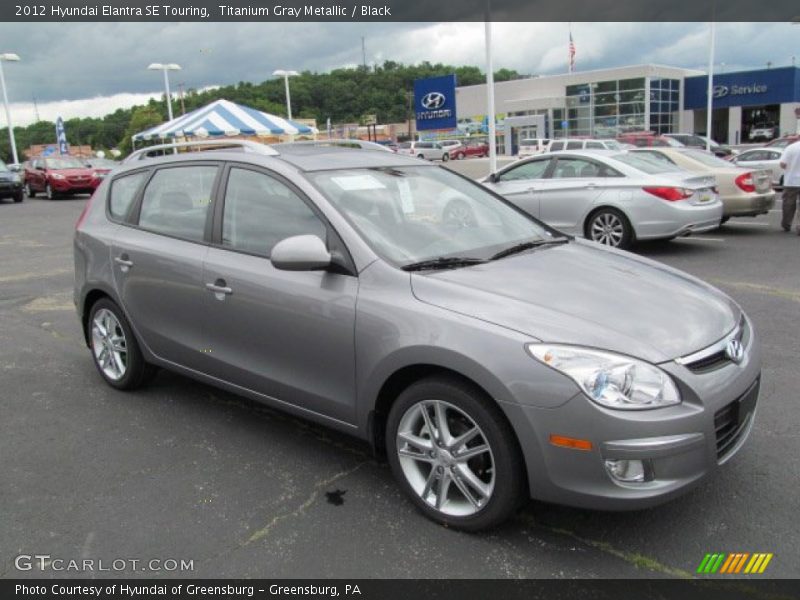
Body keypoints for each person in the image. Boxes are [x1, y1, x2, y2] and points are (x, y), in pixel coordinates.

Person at [779, 139, 800, 233]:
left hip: (791, 181)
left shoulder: (791, 147)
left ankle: (786, 224)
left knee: (788, 203)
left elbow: (782, 164)